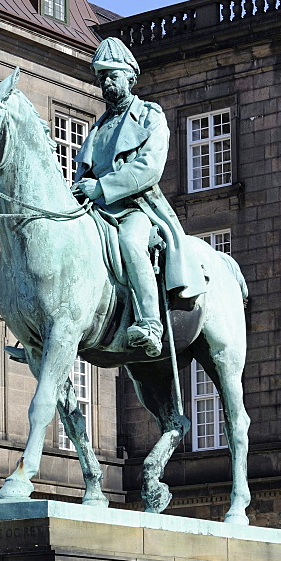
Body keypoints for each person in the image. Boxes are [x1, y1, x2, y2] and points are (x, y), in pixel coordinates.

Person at [73, 38, 206, 356]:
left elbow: (149, 168)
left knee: (131, 243)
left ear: (130, 77)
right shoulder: (98, 128)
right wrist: (78, 191)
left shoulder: (149, 116)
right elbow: (85, 174)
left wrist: (103, 187)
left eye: (111, 75)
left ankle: (149, 324)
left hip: (135, 207)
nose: (106, 82)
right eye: (101, 76)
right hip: (97, 209)